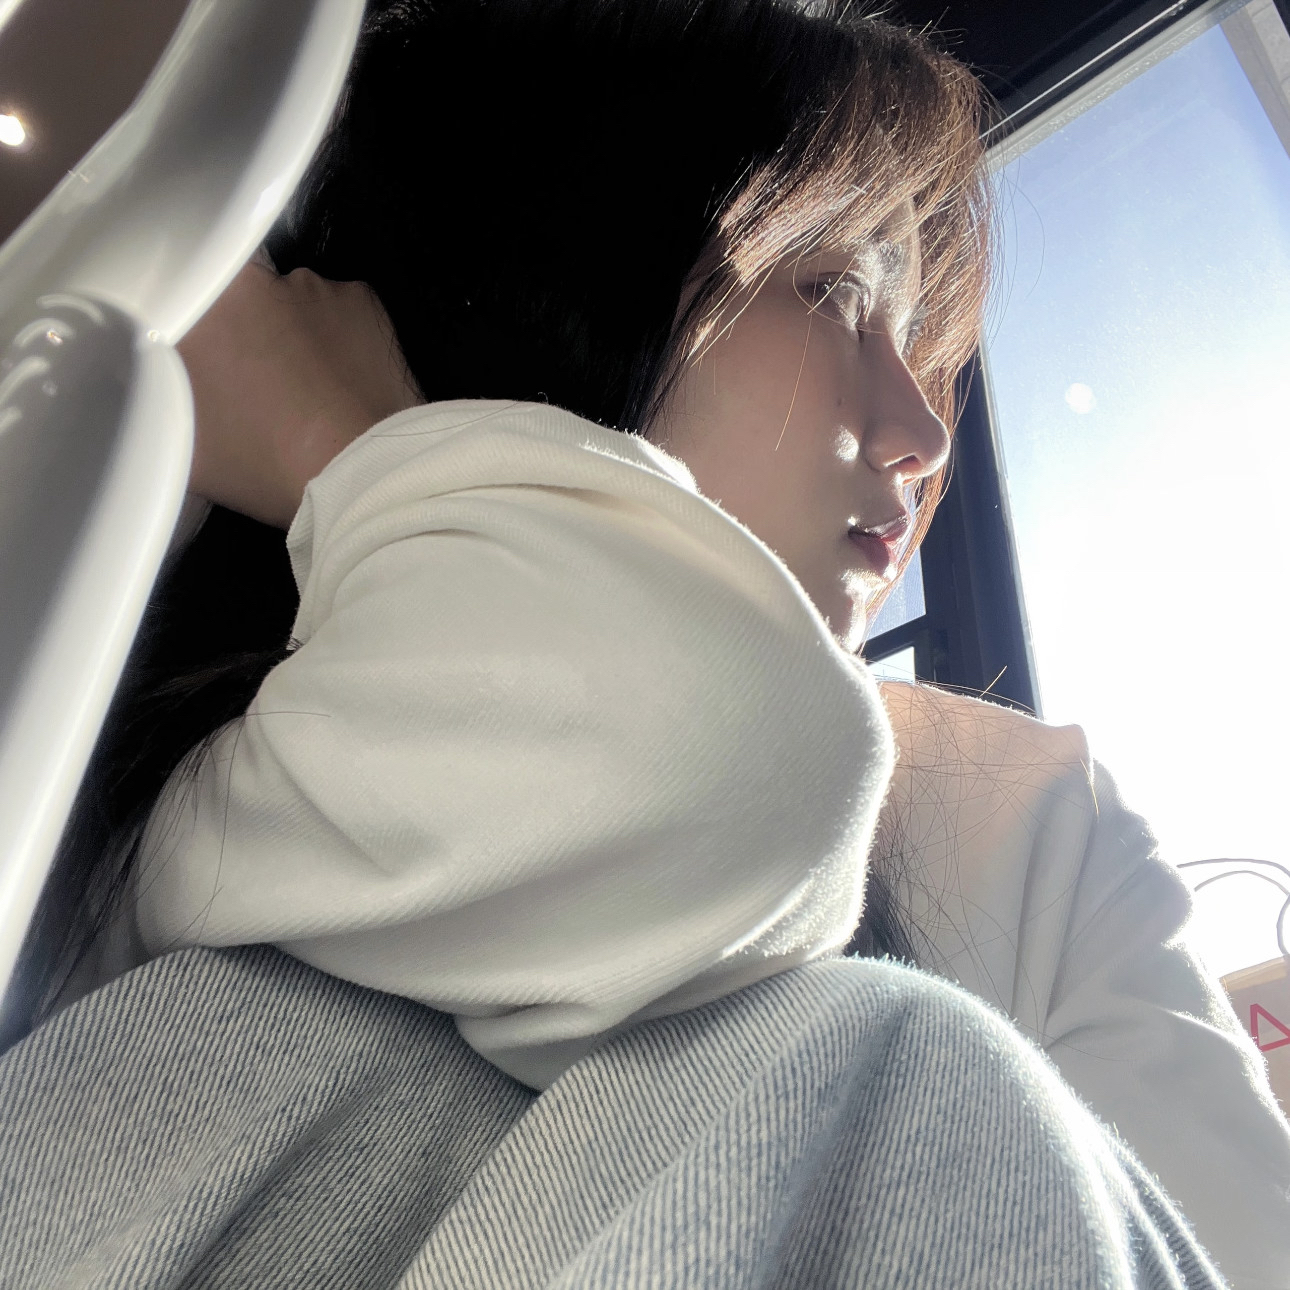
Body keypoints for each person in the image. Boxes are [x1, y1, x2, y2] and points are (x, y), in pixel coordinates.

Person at [1, 1, 1287, 1285]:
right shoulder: (165, 740)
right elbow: (704, 743)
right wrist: (380, 459)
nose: (924, 432)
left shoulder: (1028, 817)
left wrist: (347, 447)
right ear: (572, 251)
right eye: (838, 291)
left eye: (910, 340)